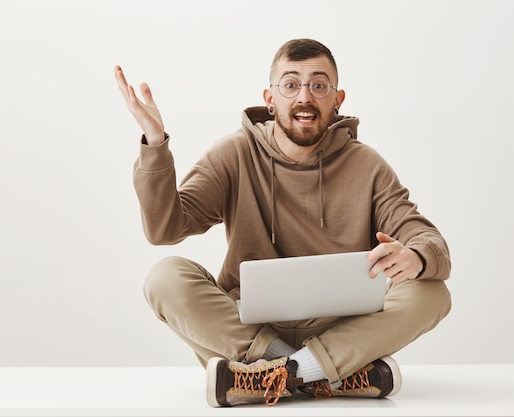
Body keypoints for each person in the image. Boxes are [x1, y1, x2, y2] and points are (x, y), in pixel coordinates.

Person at [115, 38, 451, 407]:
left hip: (340, 329)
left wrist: (415, 258)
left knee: (430, 291)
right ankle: (321, 374)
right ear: (270, 98)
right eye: (291, 85)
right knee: (165, 277)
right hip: (249, 330)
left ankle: (271, 378)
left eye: (318, 86)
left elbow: (424, 237)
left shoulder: (367, 165)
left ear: (337, 99)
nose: (304, 97)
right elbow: (165, 229)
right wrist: (155, 142)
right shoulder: (234, 153)